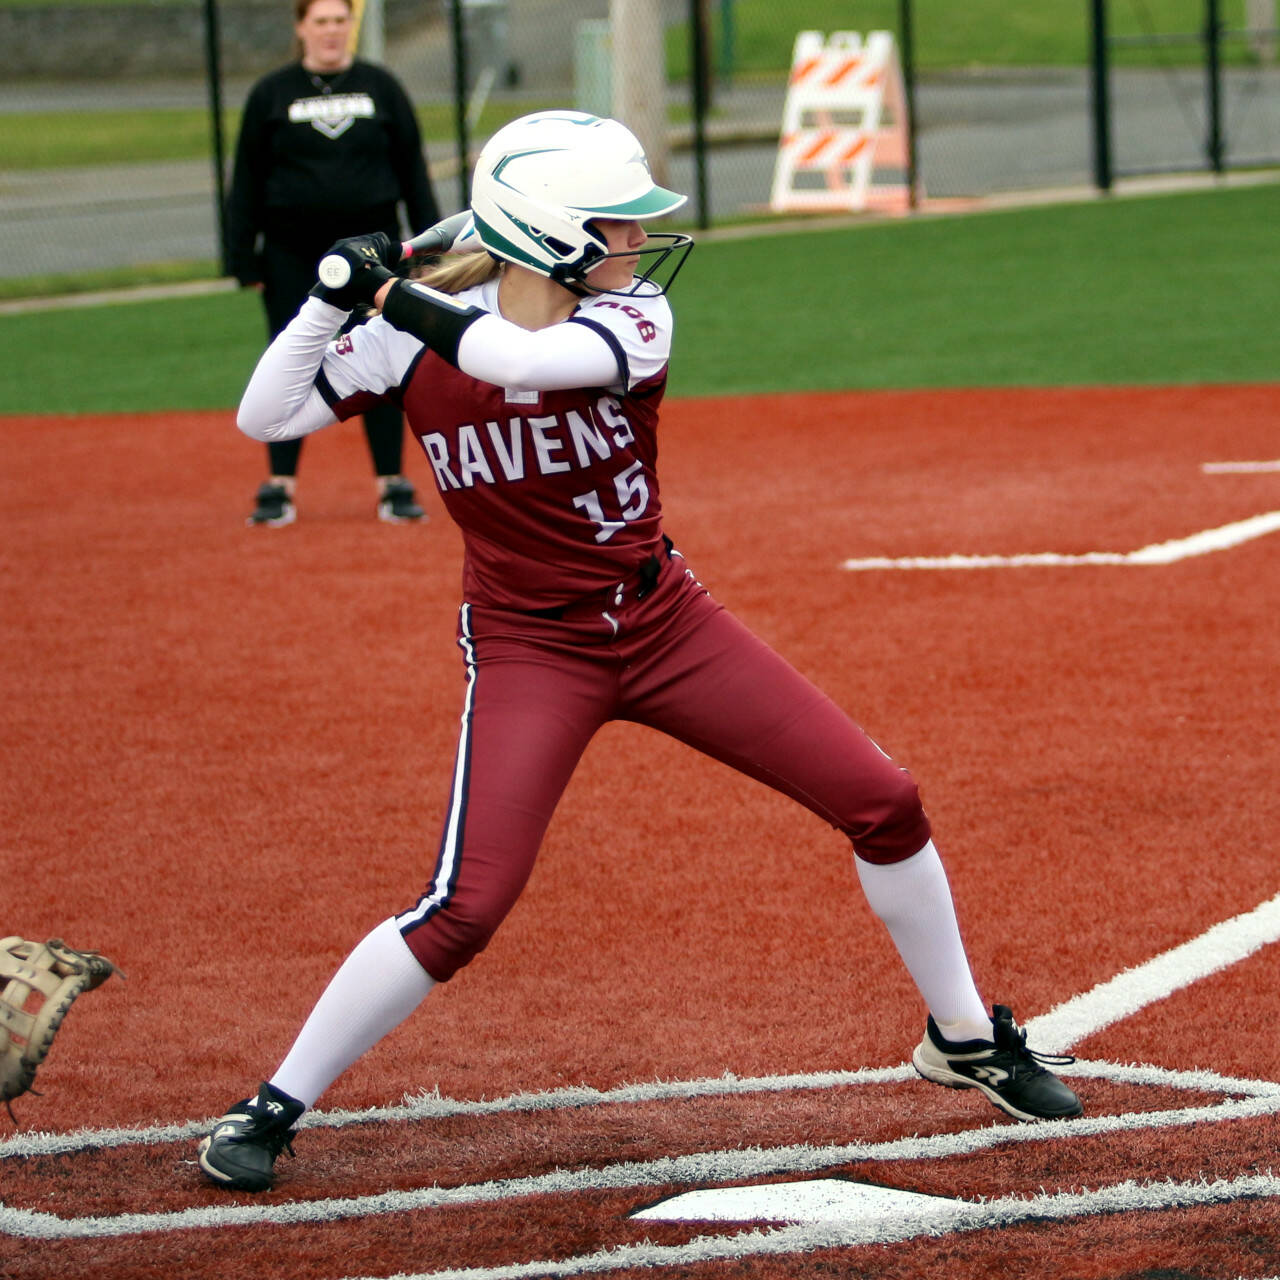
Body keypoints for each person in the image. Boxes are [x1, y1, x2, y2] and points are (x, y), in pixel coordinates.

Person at [198, 110, 1083, 1193]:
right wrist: (330, 298)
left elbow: (507, 353)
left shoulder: (632, 315)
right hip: (531, 645)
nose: (637, 241)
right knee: (464, 903)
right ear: (549, 232)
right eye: (616, 223)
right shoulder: (411, 331)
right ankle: (275, 1099)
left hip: (664, 621)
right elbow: (263, 412)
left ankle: (961, 1037)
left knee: (882, 798)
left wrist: (380, 288)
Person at [225, 0, 440, 527]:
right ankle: (280, 486)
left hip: (374, 253)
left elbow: (412, 167)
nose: (331, 31)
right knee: (289, 356)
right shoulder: (271, 93)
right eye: (320, 21)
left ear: (351, 26)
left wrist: (428, 249)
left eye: (340, 21)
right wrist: (241, 254)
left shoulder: (380, 87)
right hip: (291, 253)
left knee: (386, 354)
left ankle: (392, 483)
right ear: (301, 28)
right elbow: (247, 178)